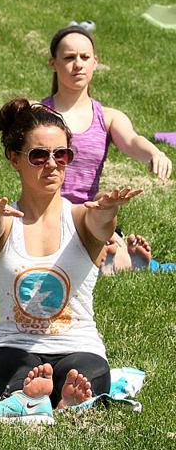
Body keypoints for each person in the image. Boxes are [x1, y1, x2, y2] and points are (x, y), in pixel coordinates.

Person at [0, 98, 141, 422]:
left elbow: (101, 226)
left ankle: (50, 399)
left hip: (78, 344)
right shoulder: (3, 222)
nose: (52, 164)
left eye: (61, 155)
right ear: (15, 159)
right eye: (39, 155)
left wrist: (109, 211)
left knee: (91, 372)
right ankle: (39, 395)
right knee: (10, 371)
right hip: (16, 345)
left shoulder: (80, 217)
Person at [39, 25, 172, 274]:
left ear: (95, 63)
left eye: (84, 57)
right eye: (69, 58)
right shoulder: (39, 114)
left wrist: (154, 153)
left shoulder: (108, 117)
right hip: (48, 213)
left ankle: (114, 254)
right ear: (53, 63)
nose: (78, 64)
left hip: (92, 214)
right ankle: (106, 254)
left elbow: (132, 141)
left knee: (102, 206)